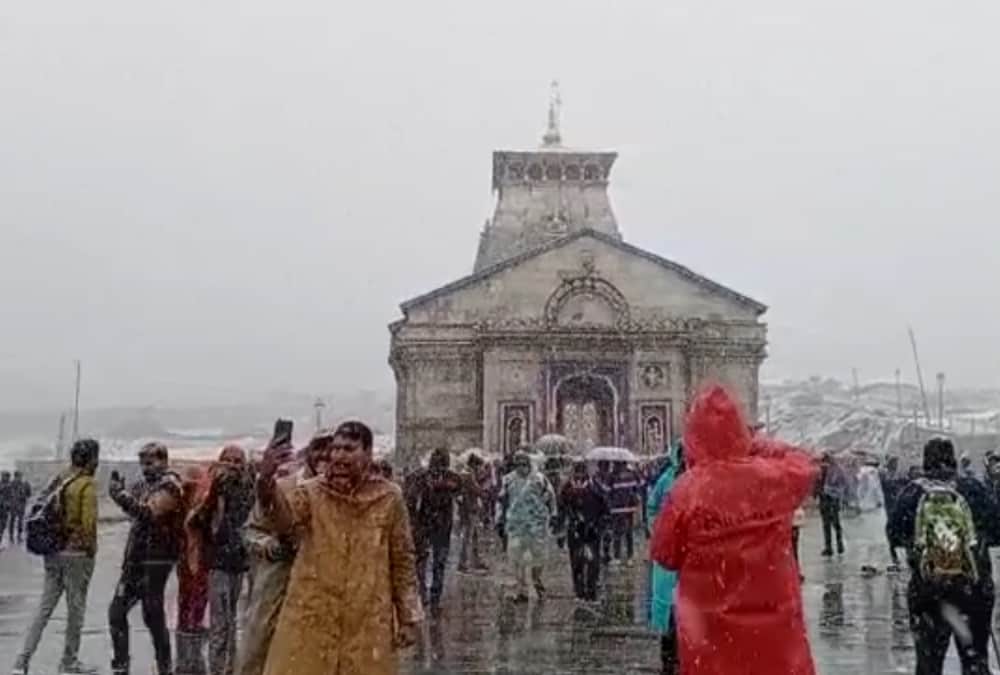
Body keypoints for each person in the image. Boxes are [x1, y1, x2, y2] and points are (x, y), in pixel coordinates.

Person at [650, 385, 818, 675]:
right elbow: (804, 462)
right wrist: (755, 445)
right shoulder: (774, 479)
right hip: (776, 645)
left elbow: (664, 555)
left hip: (713, 644)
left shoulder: (687, 491)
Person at [255, 420, 423, 675]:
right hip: (312, 618)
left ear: (368, 453)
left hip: (366, 622)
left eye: (349, 449)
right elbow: (281, 521)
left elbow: (402, 559)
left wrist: (408, 616)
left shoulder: (388, 498)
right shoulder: (311, 493)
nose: (339, 456)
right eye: (336, 449)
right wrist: (266, 481)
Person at [888, 438, 1000, 675]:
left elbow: (894, 534)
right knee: (975, 661)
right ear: (954, 461)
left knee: (928, 664)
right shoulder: (973, 488)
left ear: (925, 462)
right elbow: (997, 530)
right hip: (972, 588)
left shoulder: (912, 492)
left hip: (928, 589)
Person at [236, 429, 332, 675]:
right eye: (319, 447)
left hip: (322, 591)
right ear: (308, 452)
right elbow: (250, 530)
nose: (325, 454)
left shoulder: (345, 495)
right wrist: (271, 547)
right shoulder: (284, 487)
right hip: (278, 586)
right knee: (260, 654)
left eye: (331, 448)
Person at [11, 439, 100, 675]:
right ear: (92, 459)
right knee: (75, 611)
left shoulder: (60, 478)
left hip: (52, 552)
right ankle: (69, 661)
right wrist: (90, 550)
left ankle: (22, 660)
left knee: (44, 608)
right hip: (76, 555)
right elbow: (88, 525)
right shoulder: (86, 485)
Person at [108, 442, 185, 675]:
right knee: (116, 612)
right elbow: (135, 511)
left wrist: (120, 496)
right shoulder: (143, 485)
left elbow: (149, 513)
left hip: (157, 559)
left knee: (152, 615)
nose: (145, 468)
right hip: (136, 558)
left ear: (163, 461)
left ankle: (165, 667)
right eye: (142, 463)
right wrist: (123, 495)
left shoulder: (170, 485)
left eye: (150, 463)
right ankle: (121, 665)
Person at [187, 445, 255, 675]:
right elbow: (196, 520)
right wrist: (215, 492)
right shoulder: (211, 489)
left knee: (233, 621)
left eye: (238, 461)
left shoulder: (248, 489)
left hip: (240, 563)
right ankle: (218, 669)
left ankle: (231, 667)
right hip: (217, 562)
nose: (233, 465)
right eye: (229, 460)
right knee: (220, 623)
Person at [404, 448, 462, 609]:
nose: (438, 467)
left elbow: (458, 486)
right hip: (430, 525)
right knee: (429, 562)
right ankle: (426, 595)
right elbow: (410, 497)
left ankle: (429, 596)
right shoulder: (423, 477)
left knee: (432, 562)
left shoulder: (447, 477)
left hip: (435, 526)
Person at [646, 442, 684, 675]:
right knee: (670, 612)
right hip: (670, 554)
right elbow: (652, 506)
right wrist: (659, 531)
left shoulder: (703, 479)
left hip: (694, 557)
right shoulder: (667, 479)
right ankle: (669, 661)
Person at [498, 451, 555, 602]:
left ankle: (537, 583)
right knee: (514, 559)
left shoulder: (540, 479)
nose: (521, 468)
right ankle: (515, 590)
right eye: (518, 465)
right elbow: (501, 500)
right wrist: (500, 520)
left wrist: (552, 515)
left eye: (524, 465)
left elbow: (551, 497)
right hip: (515, 525)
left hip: (536, 526)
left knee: (538, 558)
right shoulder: (508, 480)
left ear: (529, 465)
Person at [556, 459, 609, 602]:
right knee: (576, 562)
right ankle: (579, 592)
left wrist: (600, 526)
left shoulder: (595, 487)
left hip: (592, 529)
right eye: (577, 472)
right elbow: (561, 510)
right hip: (575, 529)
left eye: (581, 472)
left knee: (593, 561)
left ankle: (591, 592)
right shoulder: (567, 488)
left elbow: (604, 508)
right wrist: (560, 531)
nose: (579, 476)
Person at [457, 452, 488, 573]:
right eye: (479, 466)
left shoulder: (465, 473)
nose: (480, 468)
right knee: (468, 537)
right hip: (470, 508)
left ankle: (476, 560)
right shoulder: (468, 475)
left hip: (467, 508)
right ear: (474, 464)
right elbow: (477, 490)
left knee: (474, 536)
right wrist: (484, 491)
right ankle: (463, 563)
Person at [607, 460, 641, 565]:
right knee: (628, 533)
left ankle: (617, 556)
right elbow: (638, 487)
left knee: (617, 533)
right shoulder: (632, 474)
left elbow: (608, 492)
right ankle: (630, 557)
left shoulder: (612, 476)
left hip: (617, 509)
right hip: (628, 508)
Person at [817, 452, 847, 556]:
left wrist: (830, 491)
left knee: (835, 523)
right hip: (824, 499)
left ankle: (839, 545)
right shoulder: (821, 470)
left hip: (833, 499)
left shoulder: (837, 470)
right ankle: (828, 547)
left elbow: (842, 484)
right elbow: (818, 484)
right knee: (826, 524)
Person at [880, 456, 907, 566]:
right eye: (894, 463)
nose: (895, 465)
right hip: (891, 506)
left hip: (899, 506)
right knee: (892, 528)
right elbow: (886, 486)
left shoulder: (899, 475)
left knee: (902, 528)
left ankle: (904, 552)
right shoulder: (885, 475)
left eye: (896, 463)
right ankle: (894, 554)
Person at [9, 472, 31, 544]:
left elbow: (29, 494)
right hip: (13, 505)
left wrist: (26, 492)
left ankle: (19, 535)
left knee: (20, 521)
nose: (19, 478)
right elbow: (7, 495)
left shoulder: (25, 484)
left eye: (20, 477)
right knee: (12, 520)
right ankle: (11, 536)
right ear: (15, 477)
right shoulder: (11, 484)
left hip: (21, 505)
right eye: (17, 477)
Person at [0, 471, 12, 546]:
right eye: (3, 476)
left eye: (5, 476)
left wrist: (9, 504)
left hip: (5, 509)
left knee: (3, 525)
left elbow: (12, 497)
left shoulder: (10, 486)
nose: (4, 477)